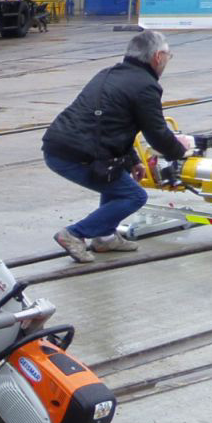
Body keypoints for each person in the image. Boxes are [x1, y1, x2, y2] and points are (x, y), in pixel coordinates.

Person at [42, 30, 195, 263]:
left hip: (59, 145)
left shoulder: (109, 73)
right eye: (168, 56)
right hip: (75, 154)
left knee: (116, 179)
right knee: (134, 196)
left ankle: (104, 237)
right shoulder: (146, 86)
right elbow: (157, 134)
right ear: (158, 57)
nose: (167, 61)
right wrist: (181, 152)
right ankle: (74, 234)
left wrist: (132, 161)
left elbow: (113, 125)